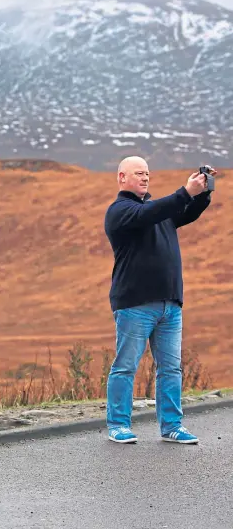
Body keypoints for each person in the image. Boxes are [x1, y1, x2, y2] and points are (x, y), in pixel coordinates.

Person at [104, 156, 216, 444]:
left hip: (170, 305)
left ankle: (172, 427)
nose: (145, 178)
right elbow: (150, 213)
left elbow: (185, 212)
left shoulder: (157, 212)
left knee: (171, 368)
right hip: (135, 304)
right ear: (122, 177)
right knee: (126, 366)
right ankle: (118, 425)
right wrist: (184, 192)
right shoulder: (120, 211)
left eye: (147, 173)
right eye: (139, 173)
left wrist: (203, 193)